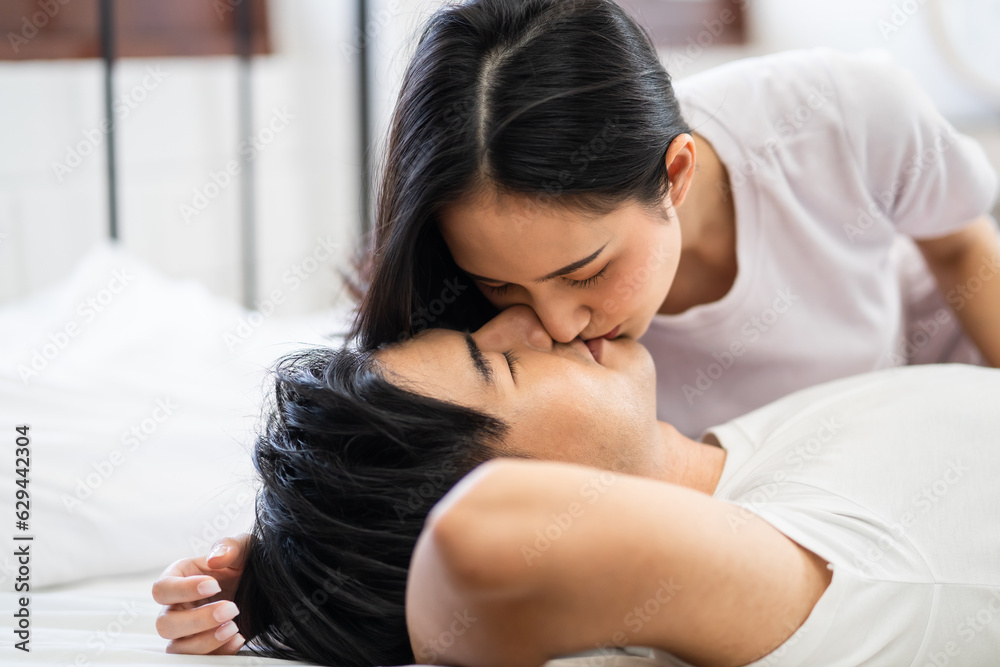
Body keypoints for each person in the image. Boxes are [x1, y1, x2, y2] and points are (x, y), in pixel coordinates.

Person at [153, 0, 1000, 653]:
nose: (553, 322)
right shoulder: (790, 554)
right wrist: (288, 565)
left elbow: (961, 243)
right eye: (498, 289)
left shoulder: (839, 118)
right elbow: (442, 489)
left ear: (676, 173)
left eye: (586, 271)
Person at [155, 306, 1000, 666]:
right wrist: (305, 569)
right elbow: (480, 540)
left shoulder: (740, 454)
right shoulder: (794, 575)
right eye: (505, 362)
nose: (538, 317)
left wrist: (292, 562)